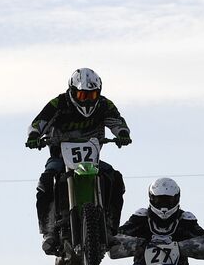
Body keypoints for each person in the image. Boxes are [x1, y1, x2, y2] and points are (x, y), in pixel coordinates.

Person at [25, 68, 132, 255]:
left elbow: (117, 121)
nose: (87, 100)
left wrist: (122, 133)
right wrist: (34, 135)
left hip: (91, 159)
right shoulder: (59, 103)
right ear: (73, 91)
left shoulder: (104, 105)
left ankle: (110, 227)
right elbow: (39, 122)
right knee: (46, 181)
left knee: (115, 178)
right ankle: (49, 231)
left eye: (92, 95)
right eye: (83, 95)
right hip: (60, 156)